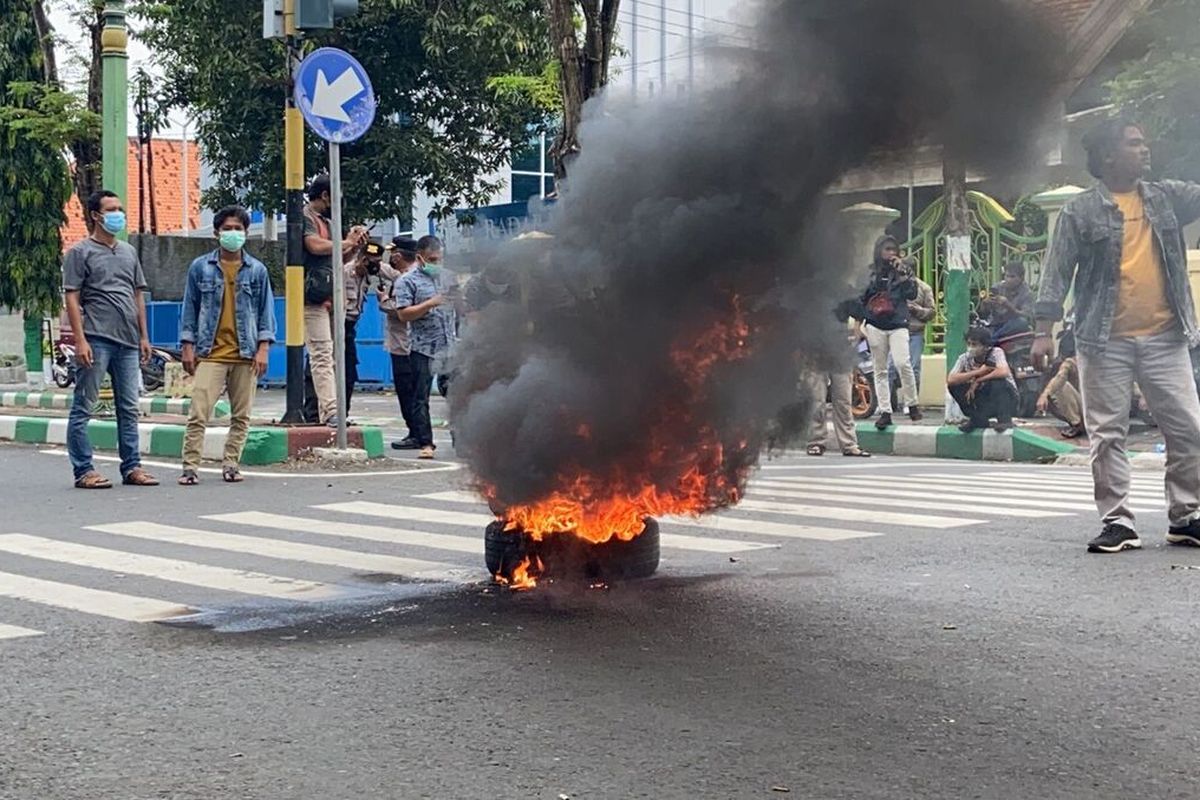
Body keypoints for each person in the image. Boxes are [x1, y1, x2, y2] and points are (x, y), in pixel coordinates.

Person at [1032, 117, 1200, 554]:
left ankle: (1185, 517)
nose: (1144, 150)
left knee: (1188, 428)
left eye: (1143, 143)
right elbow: (1056, 271)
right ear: (1108, 155)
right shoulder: (1079, 210)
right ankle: (1117, 522)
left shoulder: (1165, 198)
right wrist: (1042, 331)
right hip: (1103, 340)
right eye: (1134, 144)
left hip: (1166, 336)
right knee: (1108, 434)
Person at [62, 190, 158, 489]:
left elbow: (137, 294)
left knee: (129, 407)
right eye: (111, 209)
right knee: (84, 405)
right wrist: (80, 340)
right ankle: (83, 470)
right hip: (96, 338)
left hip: (128, 342)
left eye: (120, 208)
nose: (118, 214)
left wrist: (144, 336)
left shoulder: (128, 251)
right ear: (95, 215)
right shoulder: (80, 252)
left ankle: (132, 467)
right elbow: (72, 297)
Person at [177, 206, 276, 485]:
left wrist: (263, 347)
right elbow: (190, 308)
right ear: (216, 233)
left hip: (246, 353)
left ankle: (231, 464)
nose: (233, 234)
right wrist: (187, 344)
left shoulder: (257, 270)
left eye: (238, 229)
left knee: (241, 415)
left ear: (246, 233)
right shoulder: (200, 267)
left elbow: (265, 311)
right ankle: (190, 467)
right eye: (228, 229)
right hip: (210, 353)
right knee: (199, 412)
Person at [301, 173, 366, 427]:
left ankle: (330, 409)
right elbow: (314, 247)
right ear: (325, 195)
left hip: (331, 295)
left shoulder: (328, 222)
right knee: (322, 353)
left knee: (334, 355)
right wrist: (345, 241)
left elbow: (337, 259)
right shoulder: (305, 217)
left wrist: (353, 246)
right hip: (312, 296)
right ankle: (329, 412)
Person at [396, 235, 454, 459]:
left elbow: (460, 305)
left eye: (439, 259)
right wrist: (430, 303)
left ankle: (460, 439)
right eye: (432, 259)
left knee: (455, 393)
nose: (436, 264)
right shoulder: (407, 281)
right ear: (420, 257)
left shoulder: (449, 278)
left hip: (449, 344)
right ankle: (425, 442)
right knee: (421, 396)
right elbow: (403, 314)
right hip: (423, 347)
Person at [860, 235, 921, 430]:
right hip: (875, 323)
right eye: (887, 249)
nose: (891, 253)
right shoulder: (870, 272)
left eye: (894, 249)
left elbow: (912, 294)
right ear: (879, 251)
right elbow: (861, 297)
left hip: (898, 323)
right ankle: (885, 411)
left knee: (903, 363)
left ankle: (912, 404)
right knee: (880, 370)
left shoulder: (903, 271)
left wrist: (902, 273)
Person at [379, 236, 421, 449]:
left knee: (408, 393)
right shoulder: (416, 274)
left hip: (404, 346)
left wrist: (383, 300)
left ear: (397, 255)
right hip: (415, 345)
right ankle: (419, 432)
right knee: (416, 394)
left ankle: (416, 433)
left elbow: (399, 310)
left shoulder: (407, 279)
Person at [946, 327, 1018, 433]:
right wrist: (978, 373)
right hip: (983, 400)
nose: (970, 348)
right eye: (969, 344)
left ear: (985, 346)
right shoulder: (964, 358)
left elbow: (1003, 372)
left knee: (998, 382)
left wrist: (979, 380)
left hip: (1006, 398)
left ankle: (1004, 420)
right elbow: (951, 379)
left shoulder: (996, 353)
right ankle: (978, 419)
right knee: (954, 386)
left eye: (974, 344)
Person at [343, 239, 385, 414]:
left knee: (350, 372)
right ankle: (319, 413)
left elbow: (394, 274)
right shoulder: (346, 272)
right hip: (337, 327)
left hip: (351, 328)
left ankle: (342, 413)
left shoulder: (366, 275)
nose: (377, 266)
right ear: (364, 260)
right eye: (374, 262)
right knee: (335, 371)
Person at [1036, 326, 1085, 439]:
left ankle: (1077, 424)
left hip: (1098, 411)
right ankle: (1077, 423)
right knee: (1061, 385)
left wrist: (1044, 395)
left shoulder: (1071, 362)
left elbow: (1059, 379)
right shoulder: (1073, 363)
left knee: (1061, 386)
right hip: (1099, 412)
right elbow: (1059, 378)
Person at [981, 260, 1034, 340]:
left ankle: (992, 340)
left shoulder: (1027, 293)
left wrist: (1008, 306)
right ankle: (993, 338)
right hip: (995, 323)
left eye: (1012, 277)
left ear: (1021, 278)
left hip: (1012, 325)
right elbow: (984, 312)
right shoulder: (997, 287)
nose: (1008, 280)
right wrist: (986, 303)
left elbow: (1027, 317)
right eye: (1006, 276)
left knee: (1022, 322)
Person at [905, 272, 936, 392]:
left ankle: (912, 402)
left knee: (914, 367)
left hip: (916, 332)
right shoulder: (895, 286)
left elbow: (932, 313)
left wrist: (917, 310)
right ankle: (891, 402)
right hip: (897, 330)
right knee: (891, 367)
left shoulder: (924, 288)